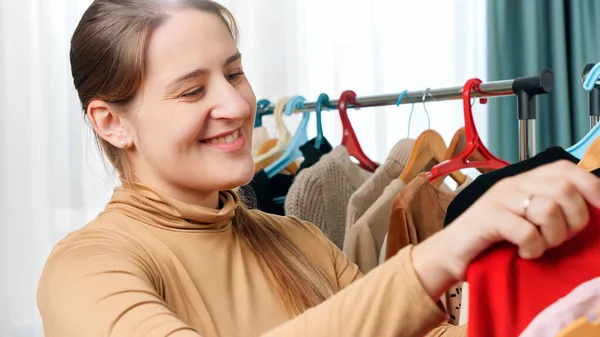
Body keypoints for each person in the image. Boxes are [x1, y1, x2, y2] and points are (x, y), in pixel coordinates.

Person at [36, 0, 600, 336]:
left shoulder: (298, 239)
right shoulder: (86, 269)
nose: (236, 106)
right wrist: (440, 255)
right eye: (191, 91)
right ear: (112, 122)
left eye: (233, 74)